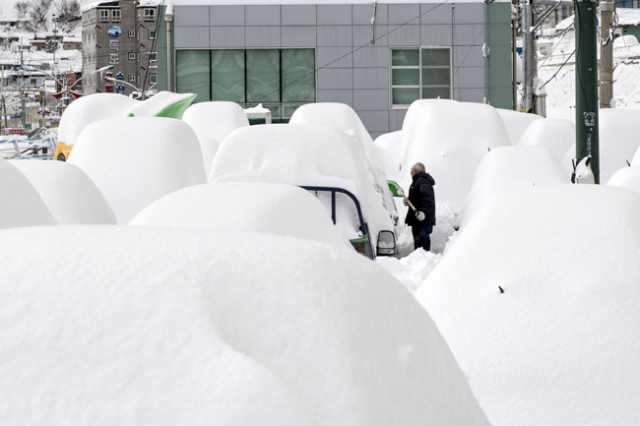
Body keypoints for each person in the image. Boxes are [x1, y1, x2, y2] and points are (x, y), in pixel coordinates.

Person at [405, 163, 436, 251]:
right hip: (419, 220)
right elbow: (419, 198)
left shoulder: (422, 181)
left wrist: (423, 212)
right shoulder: (419, 181)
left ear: (414, 171)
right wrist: (409, 201)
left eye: (411, 172)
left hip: (422, 221)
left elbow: (427, 198)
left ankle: (424, 263)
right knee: (419, 246)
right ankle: (421, 262)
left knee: (422, 247)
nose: (411, 174)